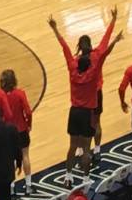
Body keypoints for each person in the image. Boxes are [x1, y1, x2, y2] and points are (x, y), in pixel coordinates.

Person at [52, 12, 122, 173]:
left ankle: (74, 164)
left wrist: (55, 29)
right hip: (94, 96)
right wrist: (113, 21)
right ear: (90, 45)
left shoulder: (74, 65)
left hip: (77, 107)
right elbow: (105, 43)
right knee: (97, 123)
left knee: (75, 141)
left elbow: (65, 48)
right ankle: (96, 150)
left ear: (79, 46)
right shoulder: (96, 58)